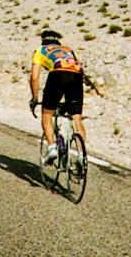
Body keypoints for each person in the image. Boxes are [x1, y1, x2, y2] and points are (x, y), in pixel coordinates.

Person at [29, 30, 87, 164]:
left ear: (43, 40)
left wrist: (35, 98)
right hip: (76, 76)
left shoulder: (40, 50)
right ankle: (80, 155)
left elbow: (34, 77)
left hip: (57, 75)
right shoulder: (68, 50)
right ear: (58, 41)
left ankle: (51, 148)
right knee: (76, 117)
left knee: (47, 114)